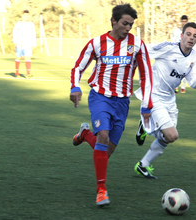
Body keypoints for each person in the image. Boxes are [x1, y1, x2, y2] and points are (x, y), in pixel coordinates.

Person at [69, 3, 153, 206]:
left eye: (131, 25)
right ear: (114, 21)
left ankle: (85, 135)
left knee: (107, 151)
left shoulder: (137, 45)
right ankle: (101, 190)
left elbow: (146, 75)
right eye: (125, 23)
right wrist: (75, 87)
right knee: (104, 136)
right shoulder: (97, 43)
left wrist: (146, 104)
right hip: (100, 97)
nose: (128, 28)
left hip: (122, 102)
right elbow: (78, 67)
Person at [134, 22, 196, 179]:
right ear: (182, 35)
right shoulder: (168, 48)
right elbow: (144, 51)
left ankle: (143, 164)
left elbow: (194, 83)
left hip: (170, 100)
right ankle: (146, 125)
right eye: (188, 34)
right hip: (154, 96)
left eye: (195, 36)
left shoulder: (195, 58)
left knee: (167, 138)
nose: (191, 38)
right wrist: (129, 49)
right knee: (172, 135)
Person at [12, 10, 36, 78]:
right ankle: (16, 73)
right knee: (18, 57)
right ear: (22, 16)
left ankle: (28, 74)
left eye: (27, 15)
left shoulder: (31, 24)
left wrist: (33, 43)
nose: (26, 17)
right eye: (25, 15)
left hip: (27, 43)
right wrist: (15, 41)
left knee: (28, 57)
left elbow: (33, 33)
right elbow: (14, 32)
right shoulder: (18, 24)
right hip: (19, 43)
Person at [172, 15, 189, 94]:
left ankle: (183, 87)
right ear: (181, 22)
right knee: (176, 70)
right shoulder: (176, 31)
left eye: (185, 21)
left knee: (185, 70)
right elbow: (173, 42)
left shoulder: (189, 32)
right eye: (183, 21)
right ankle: (176, 86)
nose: (184, 23)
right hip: (177, 53)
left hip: (185, 54)